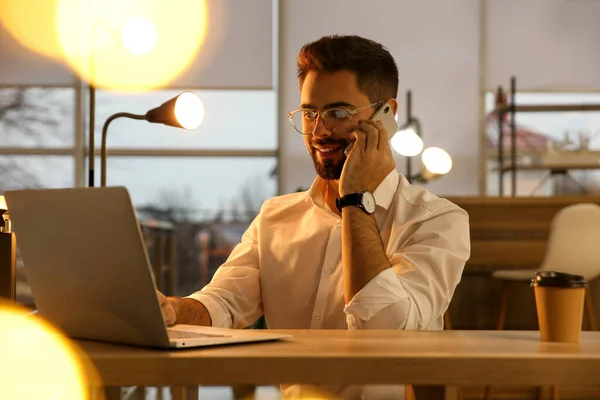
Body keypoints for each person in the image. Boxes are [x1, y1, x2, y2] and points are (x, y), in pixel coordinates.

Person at [158, 34, 470, 399]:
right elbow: (224, 303)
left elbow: (384, 336)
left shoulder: (436, 221)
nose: (320, 131)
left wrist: (354, 200)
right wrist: (171, 310)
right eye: (309, 113)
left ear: (386, 115)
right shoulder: (276, 218)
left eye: (338, 113)